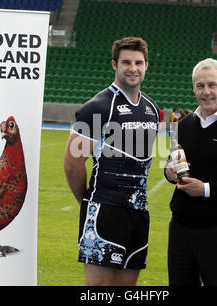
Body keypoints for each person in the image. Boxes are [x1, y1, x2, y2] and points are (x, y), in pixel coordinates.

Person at [63, 37, 159, 286]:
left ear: (146, 65)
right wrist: (86, 201)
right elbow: (72, 164)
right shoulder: (96, 108)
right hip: (105, 211)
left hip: (139, 214)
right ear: (114, 64)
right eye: (126, 62)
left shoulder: (151, 107)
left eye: (139, 62)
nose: (133, 68)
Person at [164, 58, 217, 286]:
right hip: (181, 229)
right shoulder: (182, 125)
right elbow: (172, 162)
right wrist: (169, 172)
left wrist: (205, 190)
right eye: (200, 86)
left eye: (212, 85)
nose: (206, 92)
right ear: (194, 88)